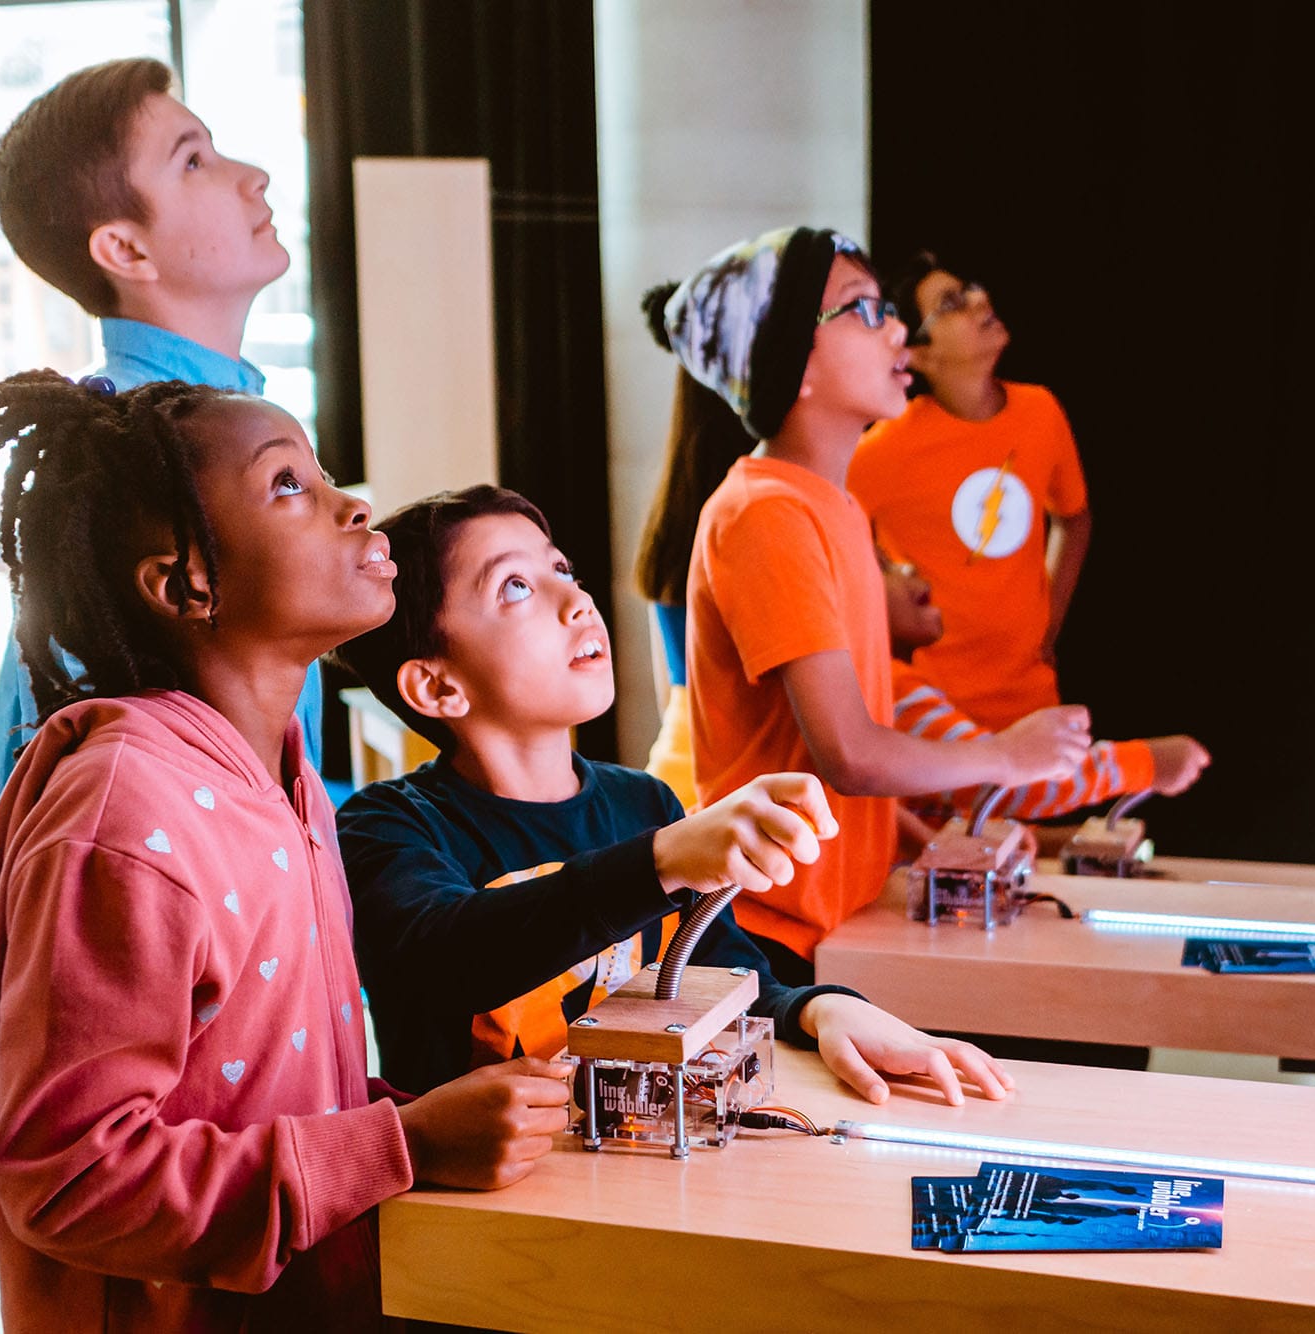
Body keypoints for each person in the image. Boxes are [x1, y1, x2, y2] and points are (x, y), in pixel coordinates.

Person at [0, 373, 566, 1333]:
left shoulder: (281, 777)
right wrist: (397, 1142)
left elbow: (261, 1085)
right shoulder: (124, 813)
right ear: (187, 582)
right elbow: (68, 1179)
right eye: (289, 486)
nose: (353, 504)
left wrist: (430, 1116)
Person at [332, 485, 1013, 1106]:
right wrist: (661, 861)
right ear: (438, 687)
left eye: (562, 570)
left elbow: (726, 980)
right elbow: (443, 959)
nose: (577, 601)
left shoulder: (642, 804)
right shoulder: (385, 827)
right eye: (515, 587)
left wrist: (822, 1009)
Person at [661, 226, 1093, 984]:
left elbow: (817, 769)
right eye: (862, 309)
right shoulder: (765, 513)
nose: (896, 325)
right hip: (766, 941)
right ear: (789, 363)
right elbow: (851, 754)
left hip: (832, 922)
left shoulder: (831, 505)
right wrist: (1007, 755)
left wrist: (922, 839)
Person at [0, 56, 322, 862]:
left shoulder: (219, 421)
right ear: (125, 248)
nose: (255, 176)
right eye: (193, 160)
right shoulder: (116, 450)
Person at [847, 252, 1090, 730]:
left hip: (1033, 703)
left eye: (971, 288)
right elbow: (834, 540)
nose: (980, 299)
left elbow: (1075, 518)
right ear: (917, 353)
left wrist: (1050, 621)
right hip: (937, 716)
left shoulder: (1041, 412)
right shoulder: (882, 450)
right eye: (951, 302)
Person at [881, 557, 1209, 830]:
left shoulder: (897, 685)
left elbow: (933, 812)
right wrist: (1147, 763)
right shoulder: (893, 688)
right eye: (882, 564)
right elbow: (997, 782)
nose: (908, 568)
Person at [631, 283, 757, 811]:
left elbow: (671, 696)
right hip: (737, 795)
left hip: (675, 784)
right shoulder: (758, 513)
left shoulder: (673, 513)